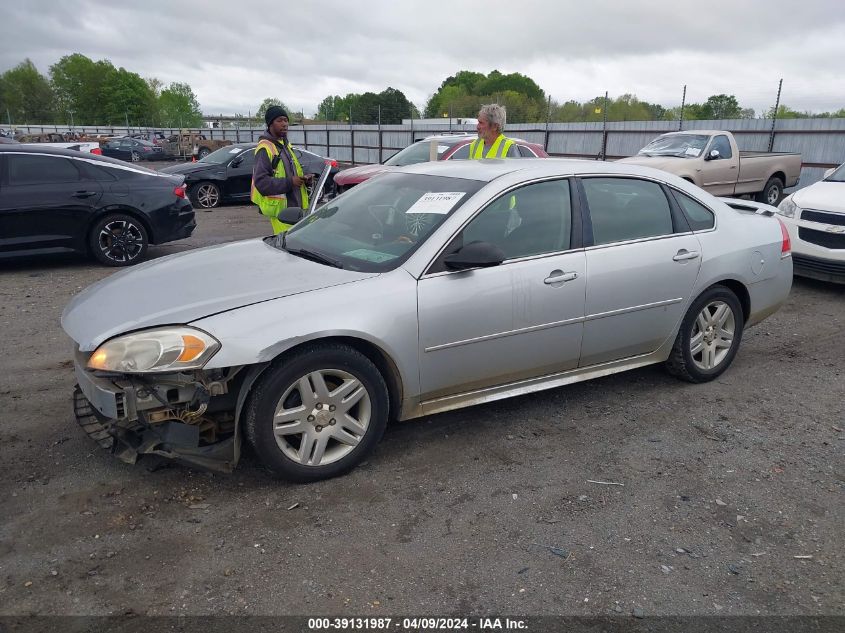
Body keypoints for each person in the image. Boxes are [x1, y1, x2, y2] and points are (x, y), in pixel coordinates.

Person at [250, 105, 312, 234]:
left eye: (286, 120)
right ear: (270, 124)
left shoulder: (285, 146)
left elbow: (291, 174)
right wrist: (290, 182)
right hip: (282, 214)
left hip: (297, 210)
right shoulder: (265, 149)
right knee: (287, 249)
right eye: (279, 120)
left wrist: (305, 180)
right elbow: (261, 183)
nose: (284, 124)